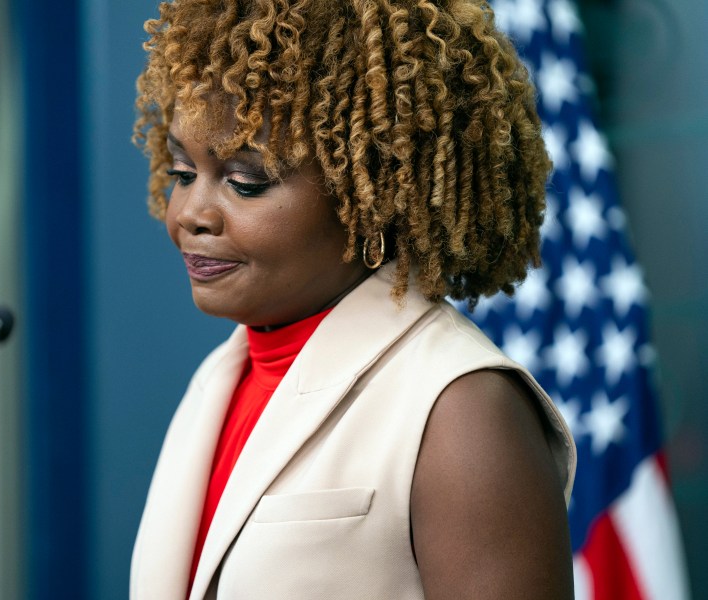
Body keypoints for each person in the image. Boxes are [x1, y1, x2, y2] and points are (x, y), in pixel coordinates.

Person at [130, 0, 576, 598]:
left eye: (246, 182)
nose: (189, 214)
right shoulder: (218, 380)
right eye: (183, 173)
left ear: (373, 193)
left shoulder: (460, 408)